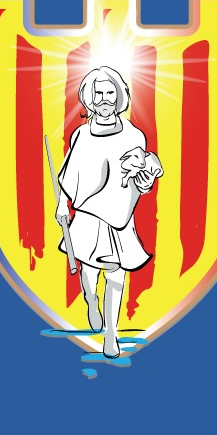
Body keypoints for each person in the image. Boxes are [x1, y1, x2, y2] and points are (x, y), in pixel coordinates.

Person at [56, 66, 162, 359]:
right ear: (90, 98)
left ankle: (112, 334)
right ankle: (91, 300)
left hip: (118, 217)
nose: (104, 98)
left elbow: (140, 179)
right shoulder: (80, 135)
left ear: (119, 96)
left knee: (116, 275)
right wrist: (62, 204)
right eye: (98, 93)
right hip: (88, 216)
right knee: (89, 274)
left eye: (110, 92)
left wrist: (146, 179)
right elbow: (69, 175)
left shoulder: (133, 136)